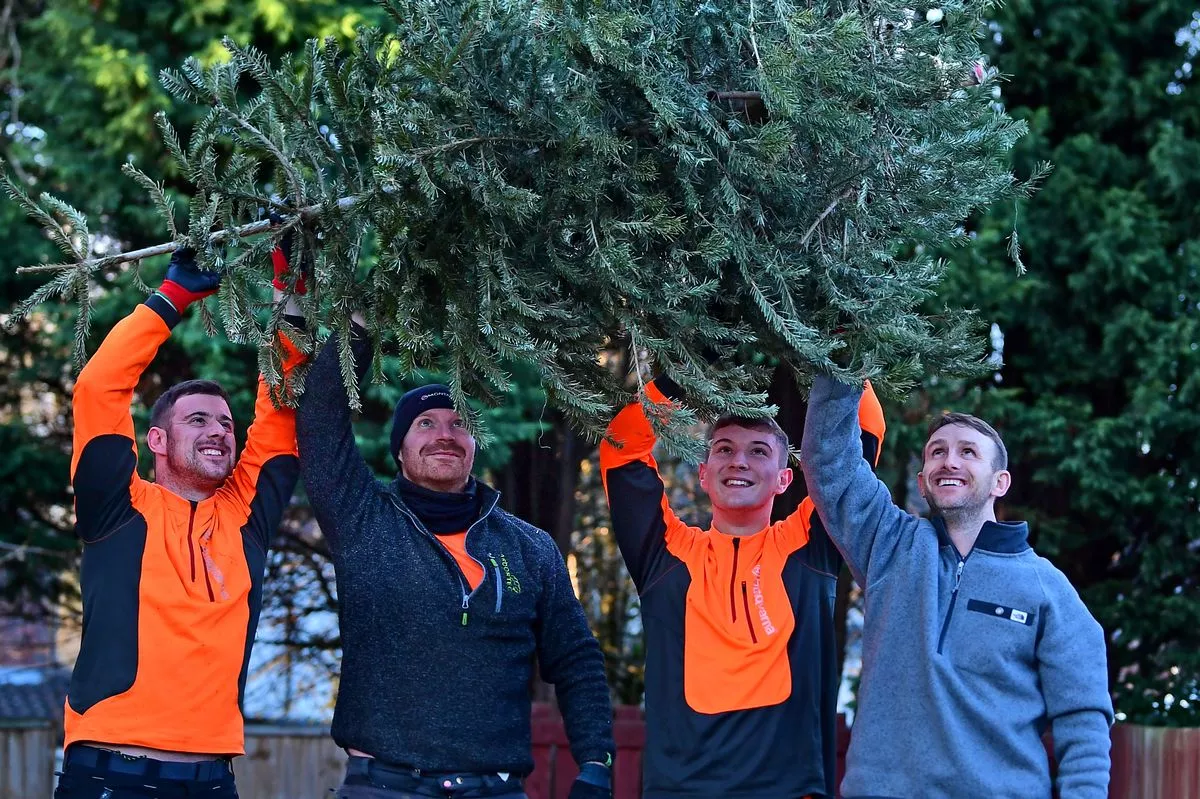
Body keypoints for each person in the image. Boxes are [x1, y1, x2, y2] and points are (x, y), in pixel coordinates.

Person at [296, 324, 616, 799]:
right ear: (400, 452)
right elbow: (321, 420)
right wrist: (360, 328)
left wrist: (595, 762)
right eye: (425, 424)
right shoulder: (361, 518)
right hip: (384, 786)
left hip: (496, 790)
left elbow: (576, 660)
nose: (445, 435)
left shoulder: (529, 546)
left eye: (460, 423)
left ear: (474, 445)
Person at [55, 244, 307, 799]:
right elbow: (99, 390)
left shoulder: (245, 518)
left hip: (213, 780)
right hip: (108, 774)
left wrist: (292, 288)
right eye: (199, 420)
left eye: (225, 422)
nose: (220, 430)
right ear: (159, 441)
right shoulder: (117, 506)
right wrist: (171, 298)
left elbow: (283, 407)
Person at [801, 374, 1114, 799]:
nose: (950, 461)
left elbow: (1083, 723)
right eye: (937, 453)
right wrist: (843, 360)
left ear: (1000, 482)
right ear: (923, 479)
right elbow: (830, 463)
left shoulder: (1048, 590)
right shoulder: (888, 545)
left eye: (968, 452)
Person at [599, 375, 885, 799]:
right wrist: (682, 379)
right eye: (725, 450)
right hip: (680, 790)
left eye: (758, 451)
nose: (739, 462)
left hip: (790, 789)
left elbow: (864, 436)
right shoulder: (666, 555)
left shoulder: (810, 545)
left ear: (786, 479)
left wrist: (824, 342)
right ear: (703, 474)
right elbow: (620, 447)